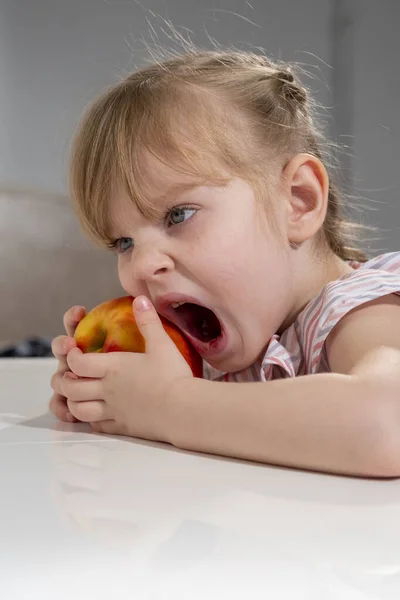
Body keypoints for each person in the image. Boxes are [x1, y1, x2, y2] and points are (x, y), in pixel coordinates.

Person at [49, 49, 400, 478]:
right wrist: (109, 394)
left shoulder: (362, 308)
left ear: (298, 202)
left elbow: (386, 426)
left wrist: (168, 405)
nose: (141, 267)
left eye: (178, 215)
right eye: (124, 242)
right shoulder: (243, 331)